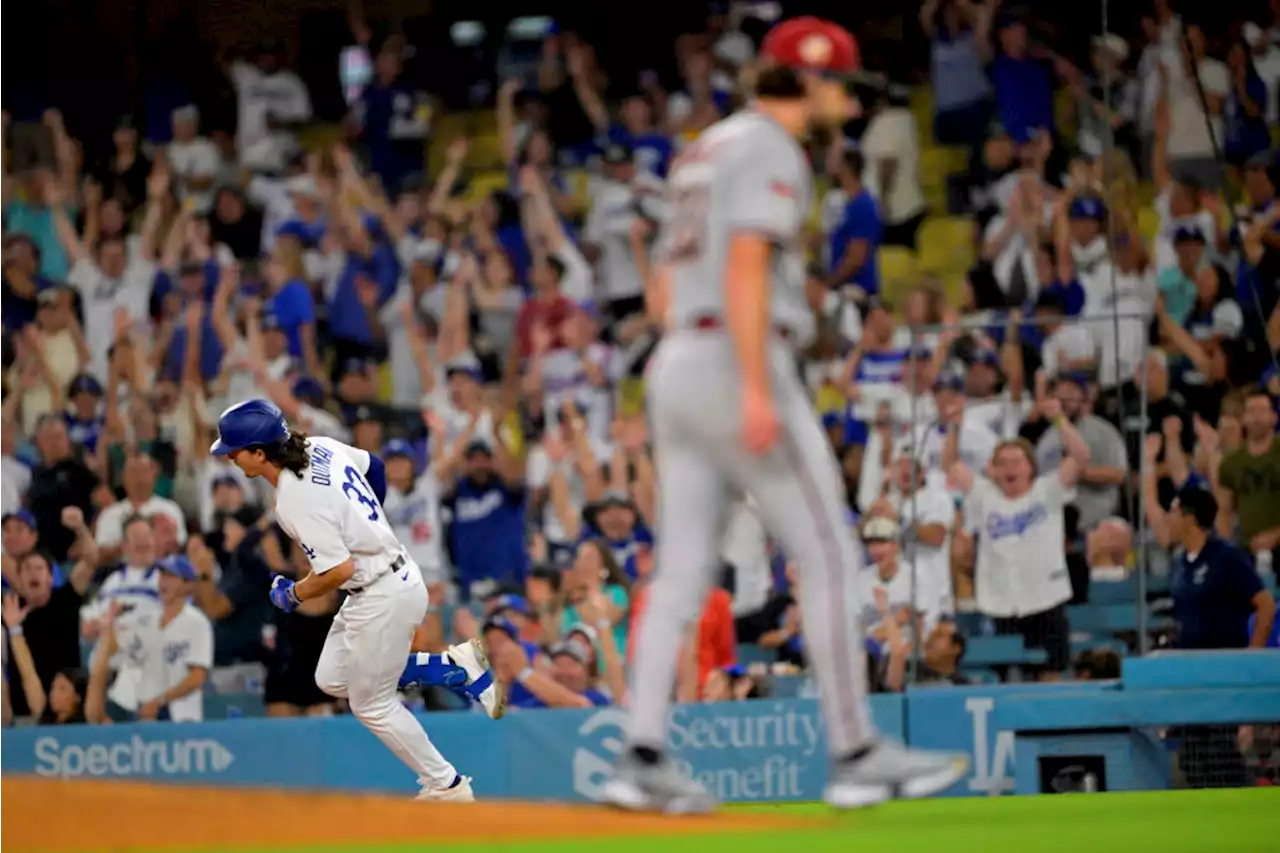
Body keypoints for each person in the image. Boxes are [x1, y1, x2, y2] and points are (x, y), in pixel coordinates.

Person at [604, 17, 967, 815]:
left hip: (676, 360)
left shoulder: (705, 147)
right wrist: (758, 387)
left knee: (680, 571)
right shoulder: (772, 146)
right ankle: (855, 751)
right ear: (802, 81)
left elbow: (664, 287)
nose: (843, 98)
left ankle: (640, 752)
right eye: (836, 82)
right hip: (741, 355)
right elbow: (744, 263)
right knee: (832, 552)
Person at [207, 398, 499, 800]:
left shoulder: (292, 500)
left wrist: (292, 594)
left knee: (371, 705)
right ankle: (449, 667)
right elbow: (374, 466)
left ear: (258, 453)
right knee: (332, 678)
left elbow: (337, 571)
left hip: (381, 592)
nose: (230, 457)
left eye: (234, 450)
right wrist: (366, 522)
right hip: (388, 579)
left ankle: (445, 785)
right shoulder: (319, 446)